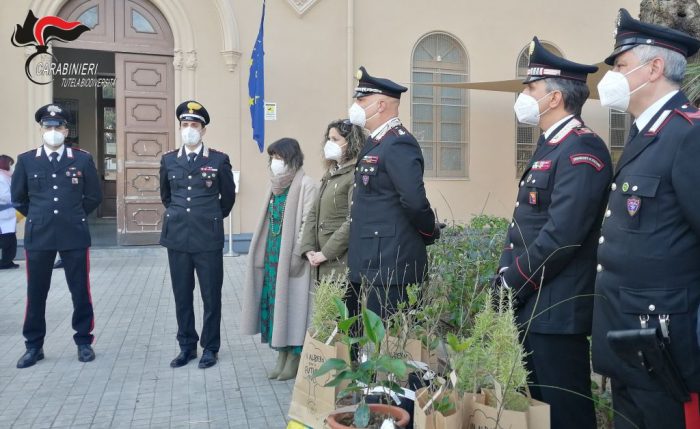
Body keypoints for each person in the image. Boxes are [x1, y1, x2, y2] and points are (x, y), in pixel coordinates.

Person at [493, 37, 612, 429]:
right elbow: (525, 226)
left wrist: (512, 281)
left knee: (566, 414)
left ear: (555, 97)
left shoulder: (583, 150)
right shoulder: (551, 146)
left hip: (557, 309)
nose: (524, 95)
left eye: (531, 88)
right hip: (535, 302)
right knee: (540, 412)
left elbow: (562, 235)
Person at [592, 9, 700, 429]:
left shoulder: (687, 134)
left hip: (665, 341)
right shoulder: (644, 132)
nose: (613, 76)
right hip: (629, 336)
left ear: (654, 68)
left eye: (620, 65)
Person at [11, 103, 102, 368]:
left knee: (80, 290)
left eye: (58, 126)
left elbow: (93, 196)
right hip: (39, 235)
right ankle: (33, 346)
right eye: (48, 126)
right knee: (36, 292)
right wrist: (40, 216)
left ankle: (84, 341)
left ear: (66, 130)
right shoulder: (27, 160)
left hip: (73, 233)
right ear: (41, 129)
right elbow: (19, 199)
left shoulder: (82, 159)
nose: (53, 131)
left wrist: (74, 214)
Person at [346, 66, 439, 319]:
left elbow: (414, 200)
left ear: (381, 105)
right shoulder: (376, 141)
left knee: (389, 343)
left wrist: (430, 232)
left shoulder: (398, 142)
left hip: (391, 263)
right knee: (361, 340)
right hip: (370, 260)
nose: (355, 105)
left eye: (361, 100)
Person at [159, 100, 235, 369]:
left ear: (203, 130)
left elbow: (227, 199)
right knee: (182, 294)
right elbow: (166, 196)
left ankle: (210, 348)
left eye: (194, 125)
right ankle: (186, 346)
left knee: (211, 296)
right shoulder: (169, 160)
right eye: (185, 124)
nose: (189, 129)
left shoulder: (218, 160)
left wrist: (208, 217)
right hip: (177, 237)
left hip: (207, 237)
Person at [241, 138, 318, 381]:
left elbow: (308, 223)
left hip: (293, 256)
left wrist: (298, 253)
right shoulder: (275, 186)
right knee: (276, 305)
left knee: (293, 307)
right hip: (273, 253)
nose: (275, 163)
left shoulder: (306, 184)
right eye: (272, 158)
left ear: (292, 159)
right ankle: (281, 355)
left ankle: (294, 356)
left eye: (280, 158)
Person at [299, 119, 365, 281]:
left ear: (351, 142)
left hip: (341, 265)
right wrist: (308, 248)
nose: (329, 143)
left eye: (335, 139)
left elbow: (353, 220)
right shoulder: (331, 173)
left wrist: (325, 253)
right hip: (322, 262)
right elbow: (314, 212)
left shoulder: (355, 173)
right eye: (329, 139)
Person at [0, 155, 18, 269]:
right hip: (4, 213)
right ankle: (5, 262)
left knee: (10, 239)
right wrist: (17, 197)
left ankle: (8, 261)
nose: (12, 166)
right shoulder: (1, 177)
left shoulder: (7, 176)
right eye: (10, 164)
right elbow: (4, 195)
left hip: (9, 213)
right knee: (7, 239)